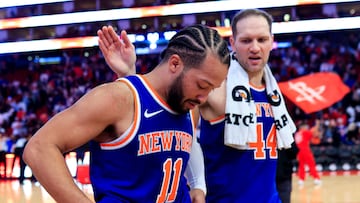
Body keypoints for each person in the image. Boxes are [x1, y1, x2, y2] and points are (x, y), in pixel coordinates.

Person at [101, 8, 297, 203]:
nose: (255, 48)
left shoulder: (273, 90)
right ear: (233, 43)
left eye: (261, 40)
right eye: (246, 40)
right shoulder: (212, 86)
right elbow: (177, 130)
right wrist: (129, 75)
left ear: (272, 41)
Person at [23, 24, 230, 203]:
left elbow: (187, 142)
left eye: (211, 89)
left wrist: (198, 186)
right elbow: (39, 149)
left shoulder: (188, 104)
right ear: (175, 63)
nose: (204, 98)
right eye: (202, 85)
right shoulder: (117, 98)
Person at [294, 120, 322, 185]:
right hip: (305, 150)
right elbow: (314, 132)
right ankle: (316, 178)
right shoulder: (304, 132)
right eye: (306, 126)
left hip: (299, 151)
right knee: (311, 164)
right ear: (302, 127)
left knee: (301, 165)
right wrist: (317, 124)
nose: (307, 127)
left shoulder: (297, 134)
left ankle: (301, 180)